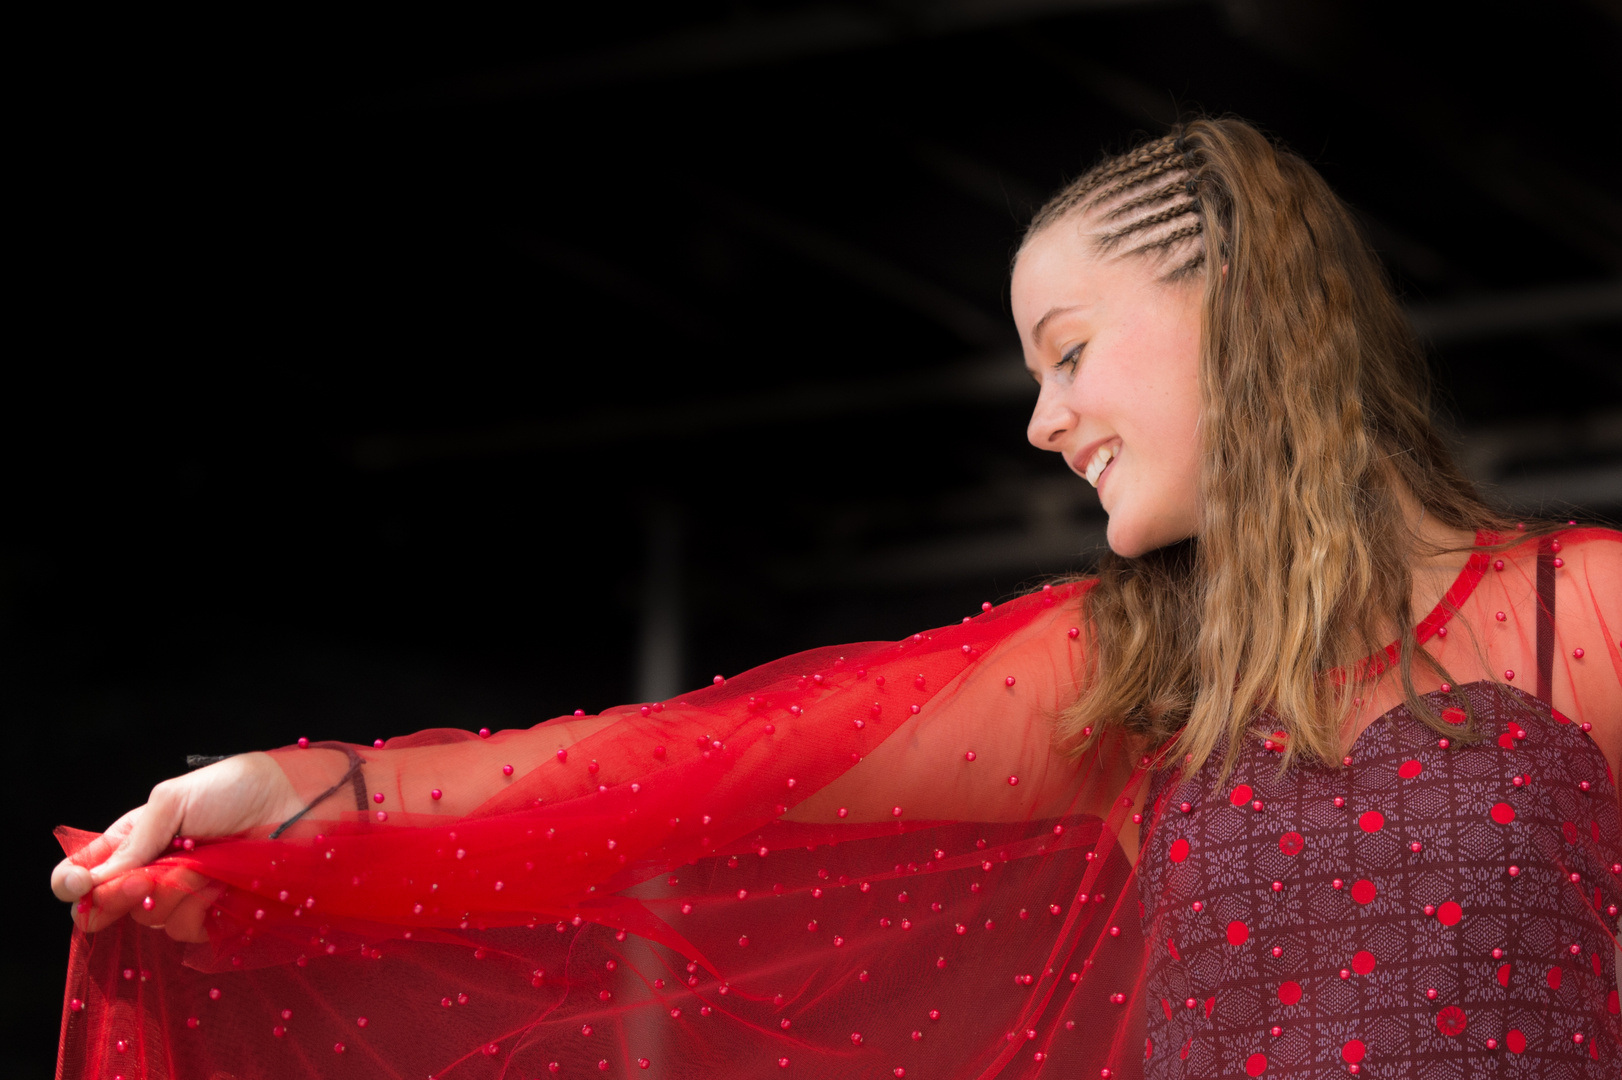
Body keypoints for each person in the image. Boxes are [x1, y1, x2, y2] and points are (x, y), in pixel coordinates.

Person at [51, 117, 1621, 1079]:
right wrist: (319, 796)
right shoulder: (1129, 672)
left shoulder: (1586, 611)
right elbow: (669, 770)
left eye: (1069, 349)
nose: (1041, 418)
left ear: (1246, 304)